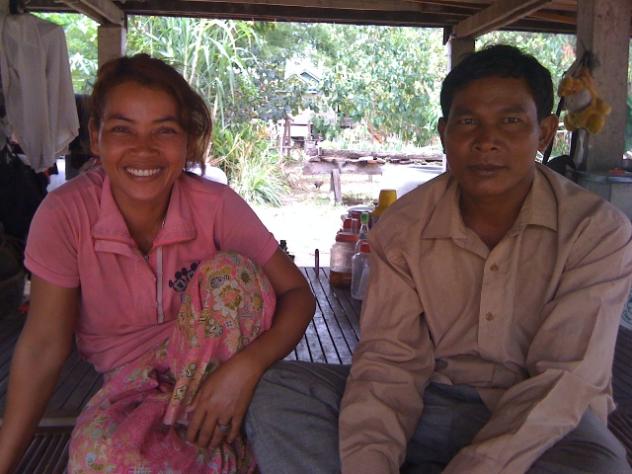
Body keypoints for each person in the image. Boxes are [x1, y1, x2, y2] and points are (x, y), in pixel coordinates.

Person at [245, 45, 632, 473]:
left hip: (543, 420)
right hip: (431, 402)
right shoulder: (402, 228)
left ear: (544, 133)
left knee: (600, 467)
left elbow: (563, 380)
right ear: (445, 133)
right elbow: (390, 365)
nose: (486, 141)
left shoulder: (595, 231)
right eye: (468, 122)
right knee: (281, 392)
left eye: (511, 121)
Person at [0, 54, 315, 473]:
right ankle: (222, 452)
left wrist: (246, 368)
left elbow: (297, 293)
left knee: (231, 274)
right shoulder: (65, 215)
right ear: (95, 138)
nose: (143, 149)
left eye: (164, 130)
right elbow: (42, 346)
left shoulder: (215, 206)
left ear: (187, 141)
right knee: (101, 458)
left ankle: (222, 434)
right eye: (122, 129)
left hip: (220, 372)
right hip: (130, 390)